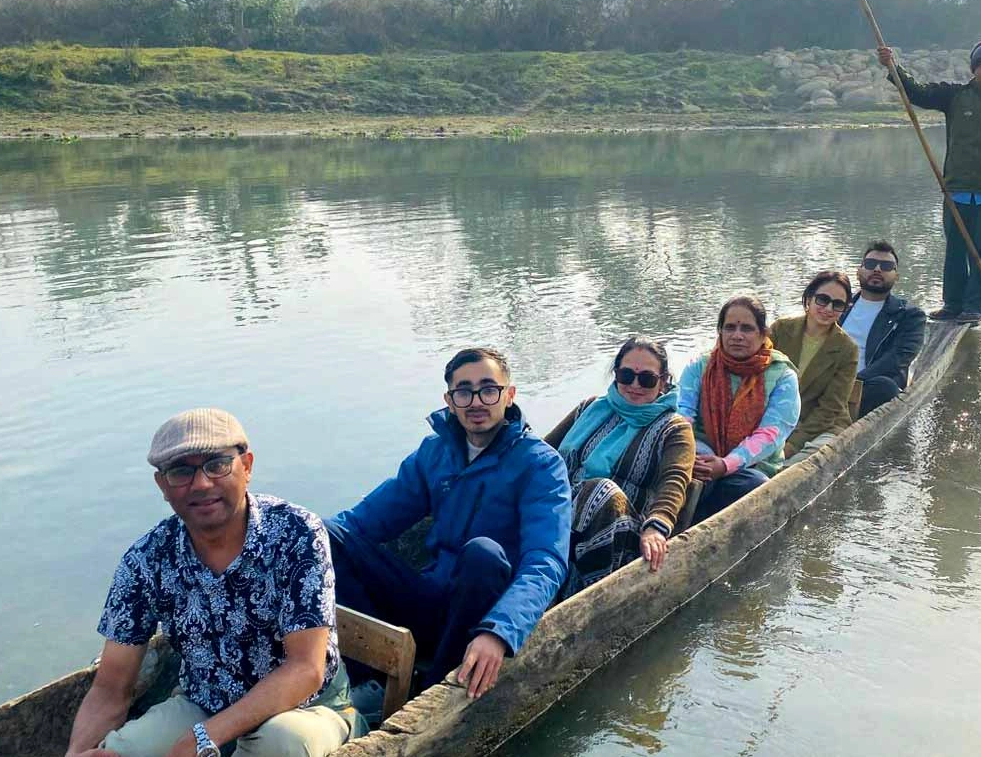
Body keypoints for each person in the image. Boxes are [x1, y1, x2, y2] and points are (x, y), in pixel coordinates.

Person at [67, 408, 358, 757]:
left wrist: (205, 737)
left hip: (305, 707)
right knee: (122, 751)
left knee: (279, 742)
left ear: (246, 466)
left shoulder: (297, 533)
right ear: (162, 485)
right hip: (203, 702)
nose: (202, 483)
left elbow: (306, 670)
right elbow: (111, 689)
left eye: (217, 465)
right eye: (181, 471)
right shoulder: (146, 560)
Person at [324, 347, 571, 703]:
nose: (476, 401)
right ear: (450, 400)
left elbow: (546, 561)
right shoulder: (435, 452)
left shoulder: (540, 465)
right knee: (323, 536)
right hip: (431, 600)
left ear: (509, 395)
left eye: (489, 389)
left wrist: (499, 632)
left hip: (486, 611)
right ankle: (372, 678)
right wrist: (296, 539)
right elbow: (366, 521)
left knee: (482, 555)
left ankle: (432, 690)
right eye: (464, 391)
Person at [877, 39, 981, 324]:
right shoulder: (955, 96)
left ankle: (974, 308)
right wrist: (892, 66)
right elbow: (918, 93)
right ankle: (953, 304)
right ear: (973, 69)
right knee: (955, 249)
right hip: (956, 188)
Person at [544, 336, 694, 596]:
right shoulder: (589, 408)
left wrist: (656, 526)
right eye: (627, 376)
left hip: (623, 534)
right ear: (616, 375)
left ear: (663, 381)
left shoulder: (674, 428)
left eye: (646, 379)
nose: (635, 385)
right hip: (557, 519)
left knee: (601, 492)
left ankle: (580, 590)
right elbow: (544, 454)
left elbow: (675, 481)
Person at [678, 295, 801, 523]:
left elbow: (770, 434)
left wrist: (725, 465)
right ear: (720, 332)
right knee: (686, 477)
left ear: (762, 334)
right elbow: (682, 416)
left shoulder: (782, 376)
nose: (737, 336)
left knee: (754, 489)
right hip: (701, 459)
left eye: (747, 328)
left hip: (753, 466)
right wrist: (697, 456)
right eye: (730, 328)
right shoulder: (700, 366)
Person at [768, 271, 859, 462]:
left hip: (822, 426)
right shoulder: (780, 329)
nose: (828, 308)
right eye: (822, 299)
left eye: (837, 304)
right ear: (809, 299)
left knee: (797, 465)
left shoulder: (847, 349)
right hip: (775, 417)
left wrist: (792, 444)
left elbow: (830, 408)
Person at [840, 240, 927, 417]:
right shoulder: (838, 306)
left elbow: (897, 359)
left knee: (885, 387)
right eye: (871, 264)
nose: (877, 270)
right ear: (858, 272)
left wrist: (854, 382)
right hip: (828, 379)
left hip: (866, 386)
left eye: (887, 266)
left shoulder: (909, 315)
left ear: (896, 276)